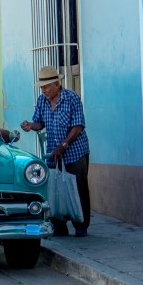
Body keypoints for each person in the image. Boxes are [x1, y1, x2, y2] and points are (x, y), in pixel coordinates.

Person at [20, 66, 91, 237]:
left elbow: (78, 125)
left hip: (75, 152)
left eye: (46, 87)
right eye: (42, 87)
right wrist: (30, 126)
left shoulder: (71, 98)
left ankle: (81, 226)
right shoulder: (42, 100)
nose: (43, 90)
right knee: (55, 190)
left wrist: (64, 145)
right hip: (53, 153)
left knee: (77, 189)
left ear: (57, 84)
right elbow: (39, 123)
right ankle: (59, 225)